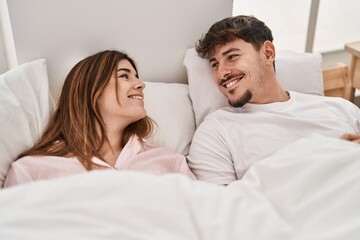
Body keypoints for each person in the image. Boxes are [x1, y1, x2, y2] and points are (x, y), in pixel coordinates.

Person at [187, 15, 360, 185]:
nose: (221, 73)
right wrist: (330, 162)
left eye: (231, 57)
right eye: (214, 64)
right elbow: (220, 209)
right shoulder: (216, 132)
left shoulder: (341, 109)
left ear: (268, 54)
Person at [4, 50, 195, 187]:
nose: (140, 84)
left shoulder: (171, 161)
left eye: (136, 77)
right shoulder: (30, 171)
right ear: (92, 90)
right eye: (124, 76)